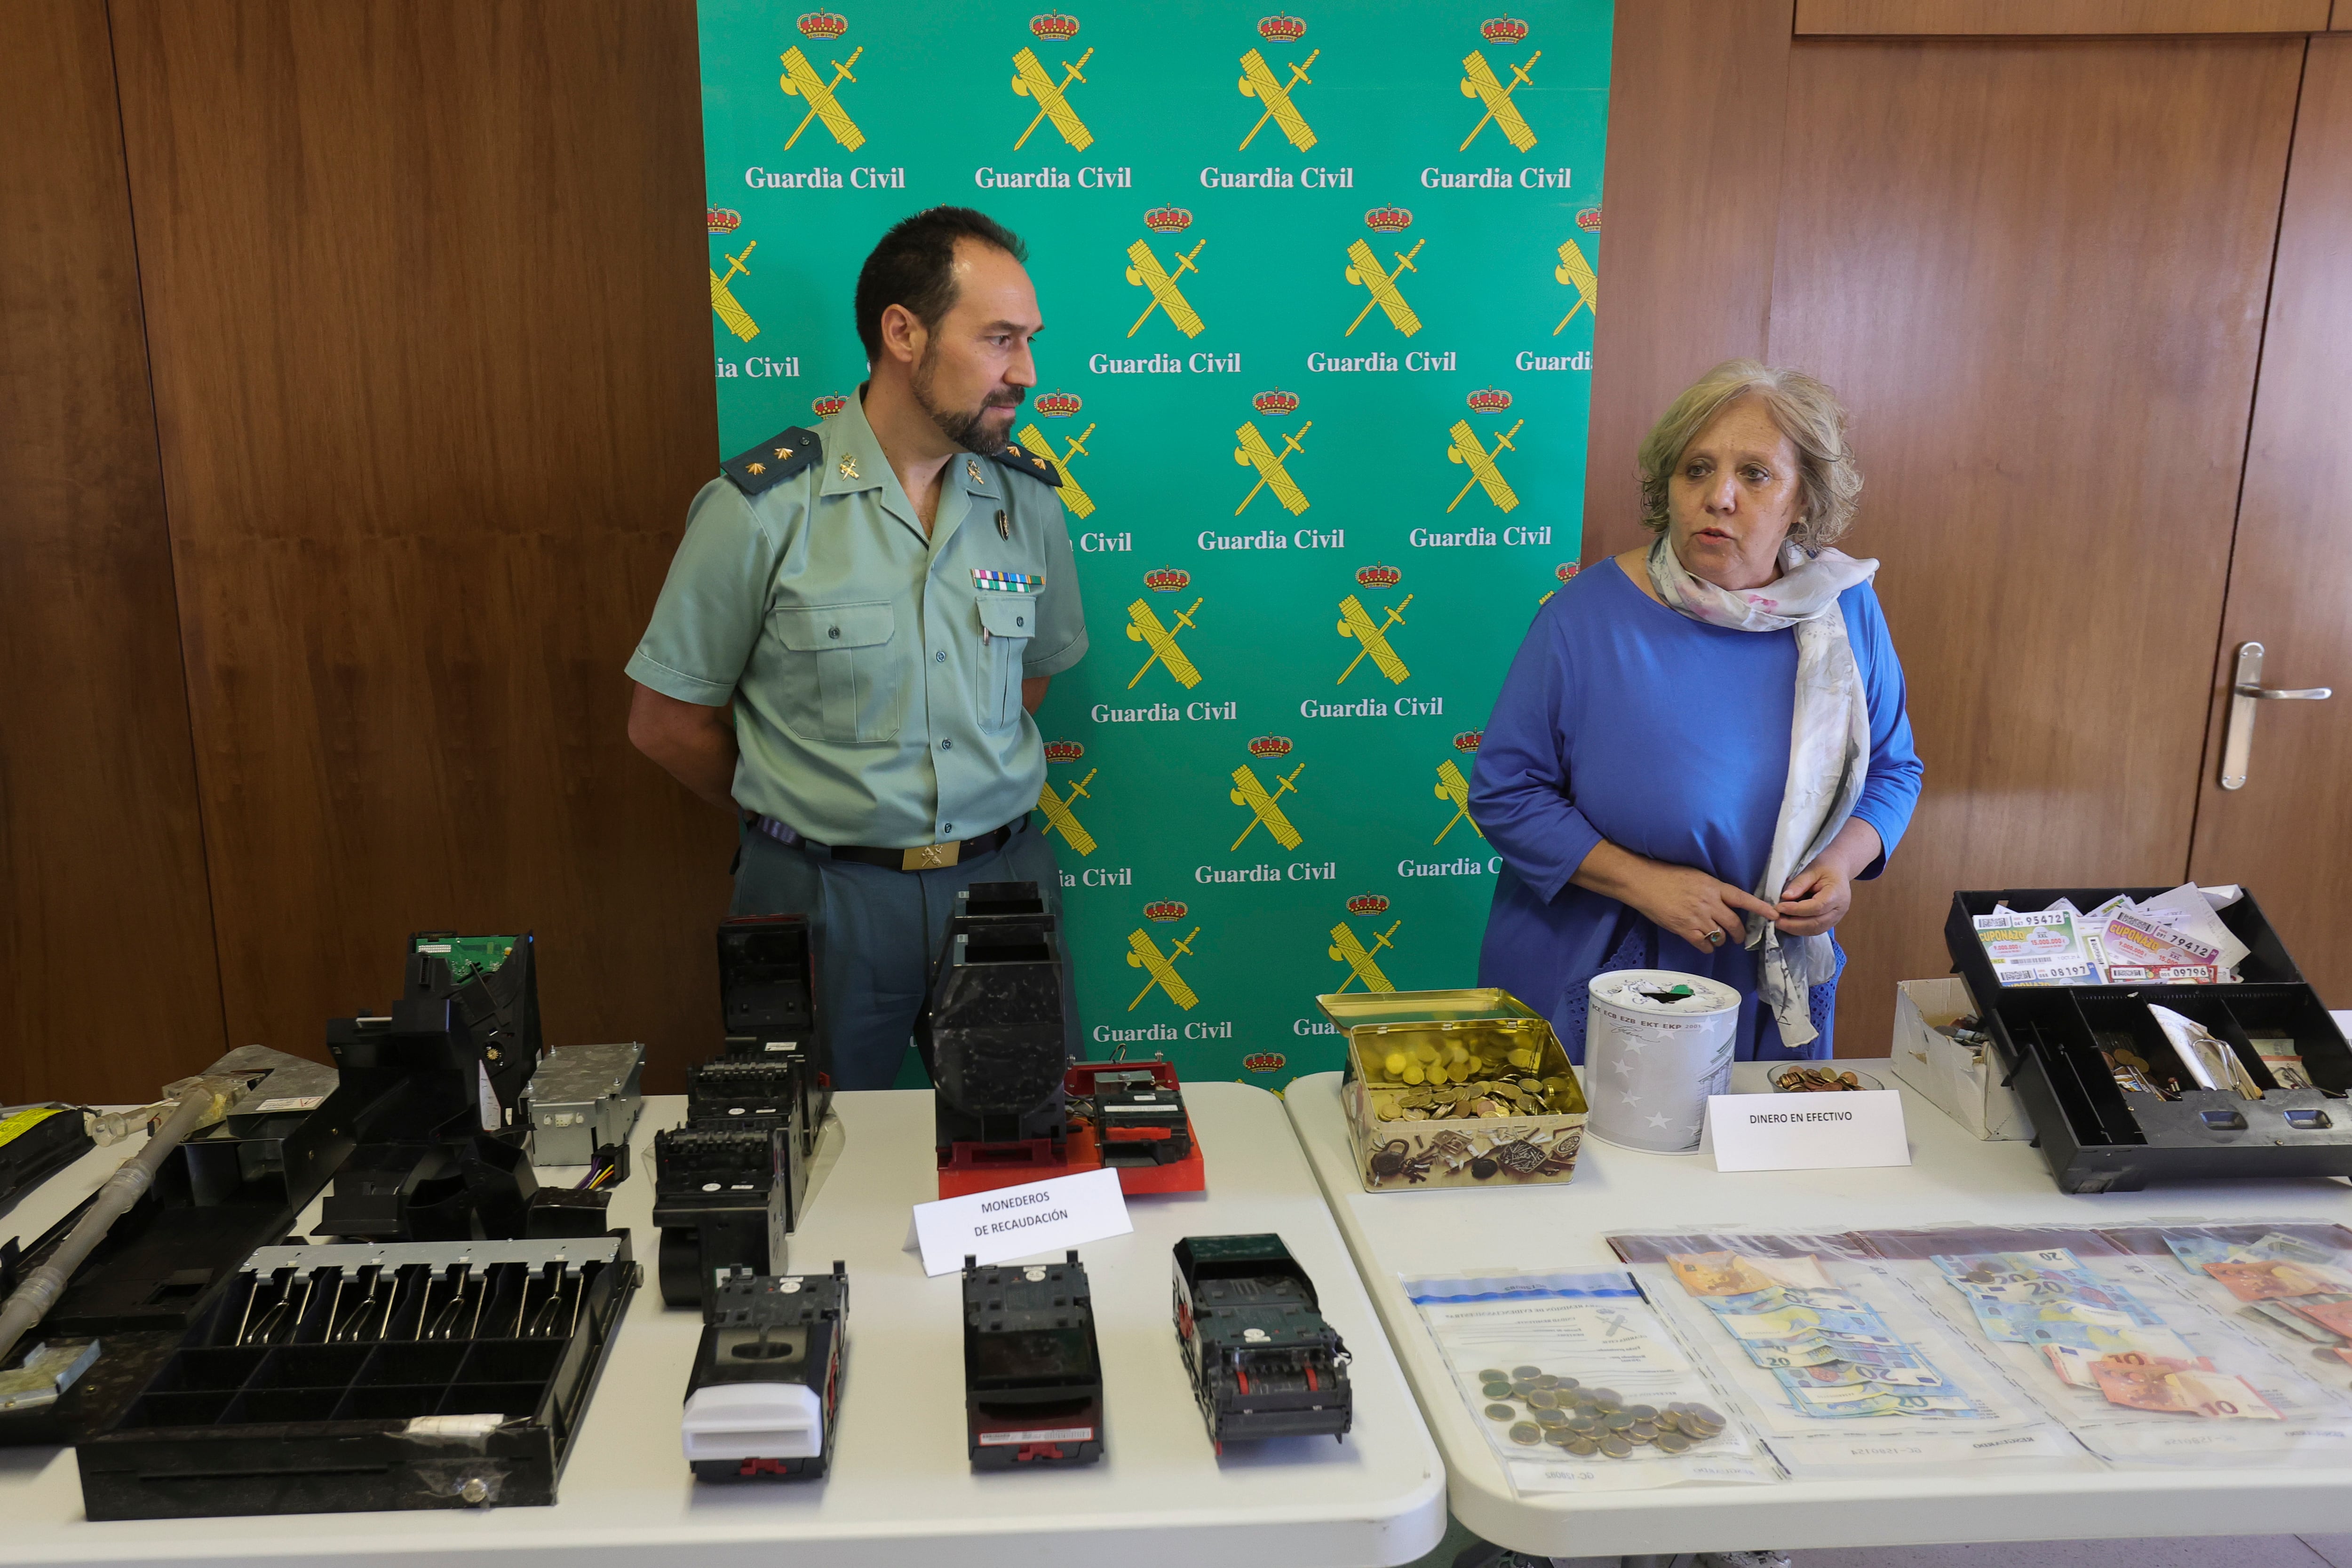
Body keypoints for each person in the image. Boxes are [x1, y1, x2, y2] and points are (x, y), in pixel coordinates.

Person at [625, 206, 1088, 1089]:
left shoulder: (1026, 503)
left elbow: (1024, 690)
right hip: (822, 900)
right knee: (815, 1169)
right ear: (903, 333)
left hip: (1003, 887)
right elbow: (666, 723)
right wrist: (799, 807)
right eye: (999, 340)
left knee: (1030, 1168)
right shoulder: (762, 508)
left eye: (1027, 342)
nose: (1025, 373)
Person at [1471, 360, 1921, 1062]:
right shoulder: (1583, 619)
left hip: (1774, 975)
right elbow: (1505, 791)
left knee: (1757, 1171)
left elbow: (1894, 771)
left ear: (1802, 498)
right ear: (1668, 487)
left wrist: (1839, 866)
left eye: (1756, 475)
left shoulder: (1847, 608)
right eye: (1697, 470)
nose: (1720, 497)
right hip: (1603, 960)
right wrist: (1645, 883)